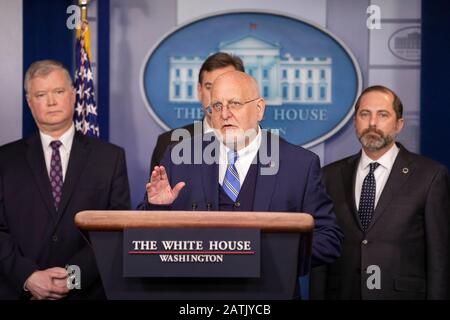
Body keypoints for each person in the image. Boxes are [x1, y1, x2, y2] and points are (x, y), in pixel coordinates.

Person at [138, 71, 343, 270]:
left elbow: (328, 238)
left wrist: (272, 257)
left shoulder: (299, 164)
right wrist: (158, 209)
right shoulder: (179, 158)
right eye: (217, 106)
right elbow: (141, 237)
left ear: (259, 109)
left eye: (234, 104)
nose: (225, 114)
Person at [0, 60, 131, 300]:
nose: (51, 101)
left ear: (73, 95)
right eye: (41, 94)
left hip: (87, 293)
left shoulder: (110, 158)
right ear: (30, 103)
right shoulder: (5, 160)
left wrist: (73, 276)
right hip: (20, 292)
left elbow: (117, 228)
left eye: (58, 92)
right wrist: (28, 277)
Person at [310, 85, 450, 300]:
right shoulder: (329, 176)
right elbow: (321, 251)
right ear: (355, 121)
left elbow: (439, 257)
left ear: (399, 124)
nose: (372, 123)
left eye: (383, 115)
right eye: (364, 114)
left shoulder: (430, 176)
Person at [149, 52, 245, 170]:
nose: (217, 96)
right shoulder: (169, 144)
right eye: (209, 87)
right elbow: (156, 188)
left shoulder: (266, 146)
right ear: (200, 91)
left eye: (226, 87)